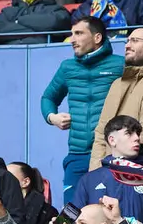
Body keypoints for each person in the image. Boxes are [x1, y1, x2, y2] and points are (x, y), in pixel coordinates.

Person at [41, 16, 125, 198]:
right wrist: (52, 117)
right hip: (77, 153)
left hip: (109, 152)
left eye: (78, 33)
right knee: (70, 212)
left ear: (97, 38)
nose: (72, 39)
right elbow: (48, 98)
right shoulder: (67, 67)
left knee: (106, 210)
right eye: (72, 34)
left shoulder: (120, 65)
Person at [88, 28, 143, 169]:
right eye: (127, 41)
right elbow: (101, 134)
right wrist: (96, 176)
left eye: (135, 41)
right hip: (113, 177)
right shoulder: (118, 84)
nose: (127, 45)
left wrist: (111, 175)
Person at [71, 116, 143, 224]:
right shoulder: (89, 180)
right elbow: (70, 220)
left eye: (138, 133)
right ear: (112, 140)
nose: (137, 138)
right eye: (129, 133)